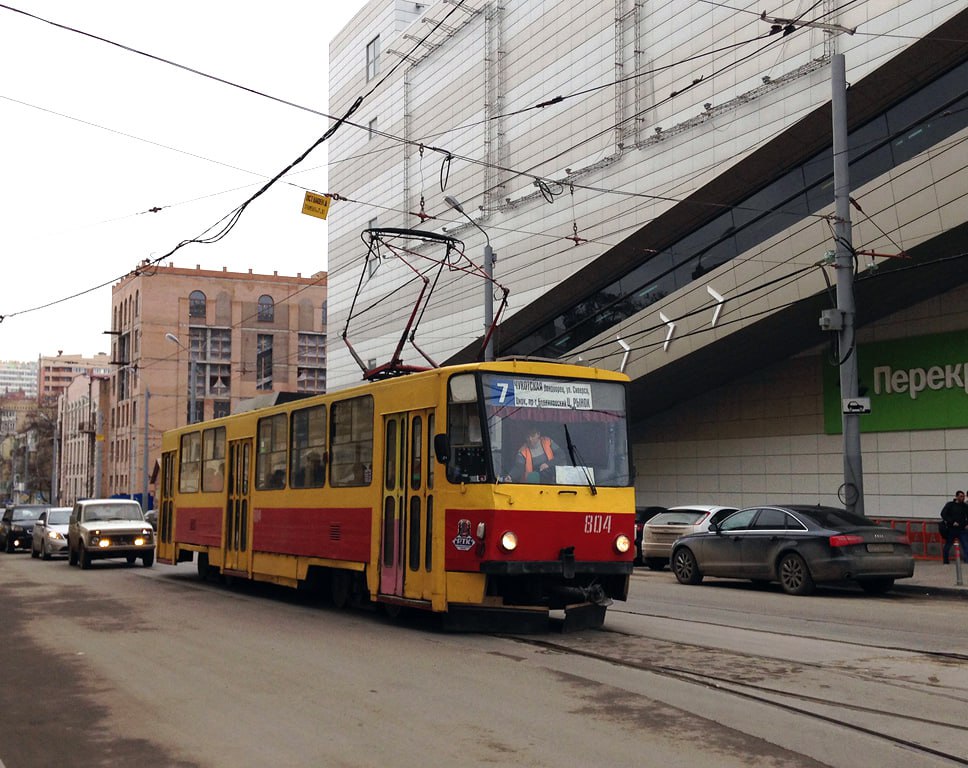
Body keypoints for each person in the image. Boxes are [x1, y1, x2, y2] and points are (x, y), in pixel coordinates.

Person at [940, 490, 968, 564]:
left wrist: (966, 524)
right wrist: (951, 522)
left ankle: (967, 560)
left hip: (962, 529)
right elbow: (943, 514)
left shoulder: (965, 506)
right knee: (948, 546)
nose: (963, 498)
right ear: (956, 497)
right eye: (961, 496)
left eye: (963, 496)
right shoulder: (950, 505)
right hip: (952, 529)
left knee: (966, 545)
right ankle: (946, 561)